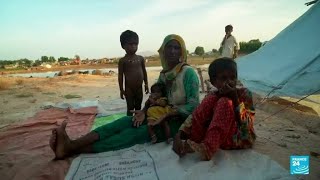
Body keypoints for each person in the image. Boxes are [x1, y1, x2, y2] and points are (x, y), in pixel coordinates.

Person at [49, 34, 200, 159]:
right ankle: (71, 143)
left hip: (177, 122)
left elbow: (193, 106)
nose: (173, 51)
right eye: (169, 47)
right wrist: (143, 111)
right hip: (159, 114)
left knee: (132, 134)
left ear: (182, 52)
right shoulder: (165, 74)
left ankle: (70, 149)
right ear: (163, 51)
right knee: (122, 123)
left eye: (177, 48)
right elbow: (156, 96)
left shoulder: (188, 73)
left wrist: (168, 114)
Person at [172, 57, 256, 161]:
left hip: (241, 138)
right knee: (210, 100)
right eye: (223, 78)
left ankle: (207, 148)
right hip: (220, 138)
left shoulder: (244, 94)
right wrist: (179, 135)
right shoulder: (213, 95)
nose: (229, 82)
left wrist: (235, 99)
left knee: (225, 102)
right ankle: (195, 139)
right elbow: (195, 116)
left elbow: (247, 125)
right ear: (213, 82)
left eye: (233, 77)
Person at [118, 30, 149, 116]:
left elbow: (144, 71)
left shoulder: (140, 59)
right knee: (130, 108)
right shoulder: (123, 61)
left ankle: (137, 121)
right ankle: (129, 122)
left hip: (139, 88)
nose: (134, 46)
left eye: (136, 44)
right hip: (129, 89)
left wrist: (146, 84)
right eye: (131, 44)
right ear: (123, 46)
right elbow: (120, 76)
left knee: (138, 107)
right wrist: (121, 89)